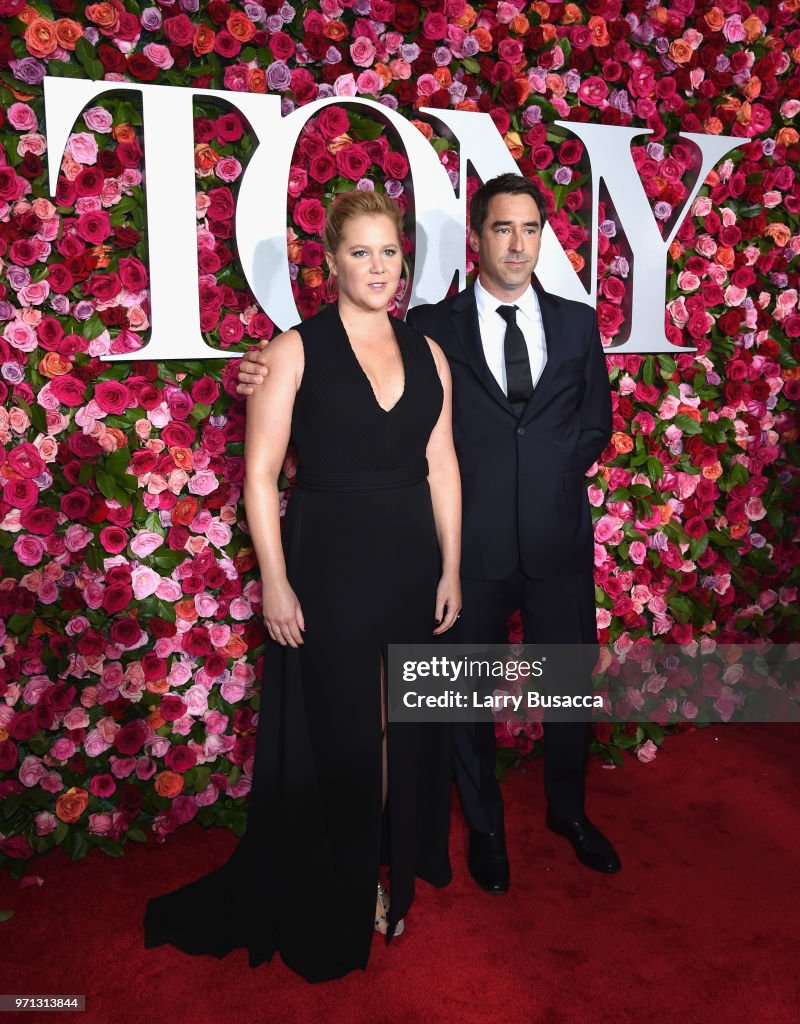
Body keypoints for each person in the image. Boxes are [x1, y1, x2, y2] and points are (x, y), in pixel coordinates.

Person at [237, 172, 621, 899]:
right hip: (462, 551)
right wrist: (253, 367)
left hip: (555, 538)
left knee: (568, 687)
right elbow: (341, 374)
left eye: (530, 228)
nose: (517, 242)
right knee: (461, 701)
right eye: (502, 228)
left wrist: (550, 474)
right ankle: (483, 831)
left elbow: (594, 420)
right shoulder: (433, 328)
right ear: (474, 240)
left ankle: (570, 813)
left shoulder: (578, 321)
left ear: (544, 237)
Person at [144, 190, 461, 983]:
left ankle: (371, 872)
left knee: (391, 724)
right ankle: (337, 888)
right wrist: (275, 583)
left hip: (411, 562)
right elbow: (257, 475)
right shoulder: (293, 349)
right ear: (329, 264)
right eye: (361, 252)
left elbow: (443, 465)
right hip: (328, 562)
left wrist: (452, 565)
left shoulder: (430, 353)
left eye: (389, 251)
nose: (379, 267)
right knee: (342, 730)